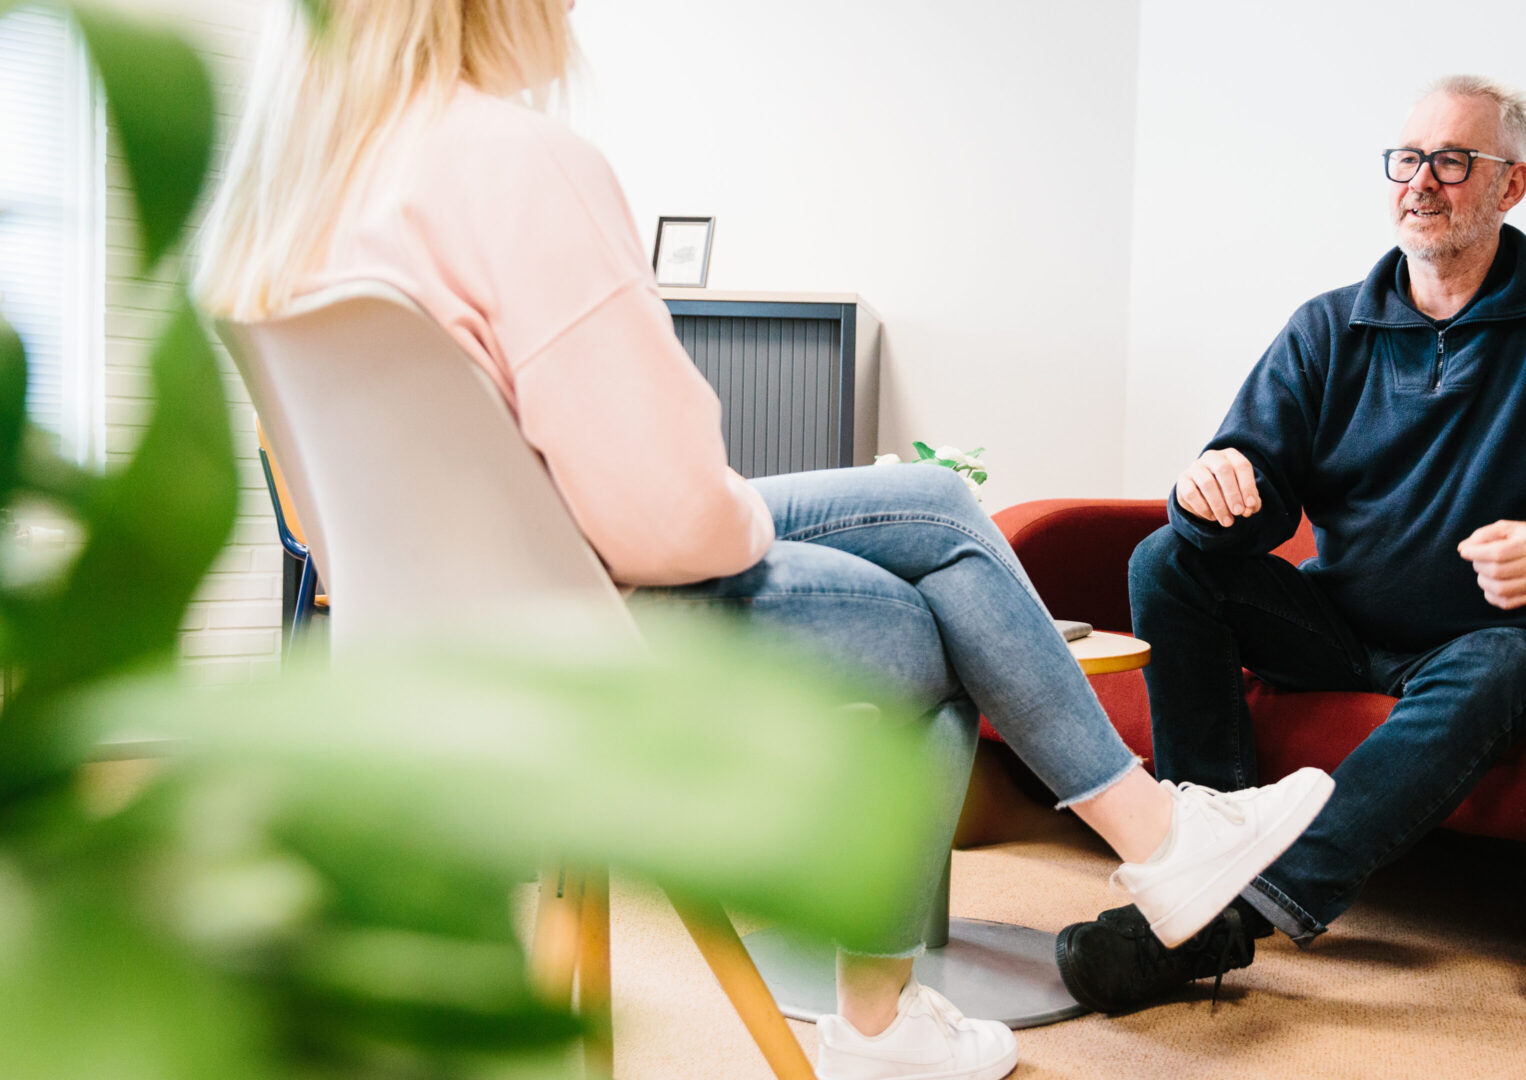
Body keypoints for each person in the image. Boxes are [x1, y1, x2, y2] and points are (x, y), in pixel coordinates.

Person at [195, 3, 1335, 1077]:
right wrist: (728, 506)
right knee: (949, 632)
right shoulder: (515, 161)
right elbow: (668, 520)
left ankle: (1157, 838)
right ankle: (910, 1008)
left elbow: (335, 530)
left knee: (939, 510)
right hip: (598, 645)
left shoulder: (287, 202)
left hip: (427, 649)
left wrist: (715, 507)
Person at [1052, 75, 1526, 1013]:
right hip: (1339, 622)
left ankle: (1224, 920)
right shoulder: (1329, 326)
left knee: (1502, 666)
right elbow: (1254, 489)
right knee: (1166, 558)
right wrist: (1208, 488)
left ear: (1511, 187)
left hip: (1482, 642)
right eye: (1408, 159)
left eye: (1454, 162)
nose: (1423, 182)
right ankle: (1199, 843)